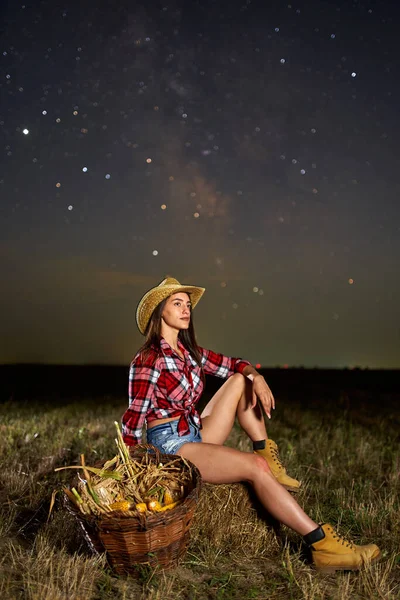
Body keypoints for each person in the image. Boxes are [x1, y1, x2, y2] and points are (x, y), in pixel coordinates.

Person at [122, 276, 381, 572]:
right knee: (254, 469)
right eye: (177, 304)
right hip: (171, 447)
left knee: (239, 380)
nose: (186, 310)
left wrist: (256, 377)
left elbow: (234, 364)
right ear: (160, 312)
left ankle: (265, 450)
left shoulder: (190, 353)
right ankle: (321, 544)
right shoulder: (148, 358)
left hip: (195, 431)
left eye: (188, 305)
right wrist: (132, 472)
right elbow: (133, 417)